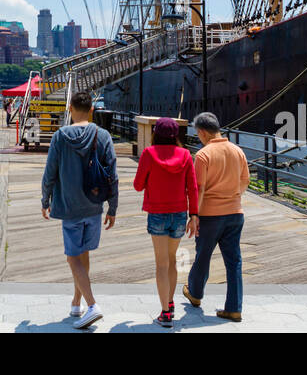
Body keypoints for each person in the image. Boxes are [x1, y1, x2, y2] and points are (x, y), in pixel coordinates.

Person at [41, 90, 118, 329]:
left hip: (69, 205)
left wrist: (45, 200)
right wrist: (112, 207)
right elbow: (112, 174)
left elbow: (50, 172)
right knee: (83, 254)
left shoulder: (60, 136)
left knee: (73, 257)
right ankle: (77, 303)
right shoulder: (103, 135)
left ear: (71, 109)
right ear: (92, 111)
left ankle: (92, 305)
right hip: (95, 205)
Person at [183, 112, 250, 322]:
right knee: (234, 261)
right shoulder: (237, 150)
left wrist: (194, 214)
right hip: (235, 213)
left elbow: (199, 188)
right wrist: (231, 196)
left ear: (202, 132)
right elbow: (245, 181)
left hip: (211, 215)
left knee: (203, 256)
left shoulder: (203, 155)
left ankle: (195, 294)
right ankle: (234, 308)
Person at [132, 117, 198, 327]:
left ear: (155, 133)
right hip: (180, 213)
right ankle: (169, 303)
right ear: (176, 135)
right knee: (171, 261)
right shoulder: (186, 155)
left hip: (158, 212)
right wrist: (194, 215)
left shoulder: (149, 154)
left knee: (161, 264)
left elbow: (137, 185)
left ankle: (165, 313)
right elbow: (193, 187)